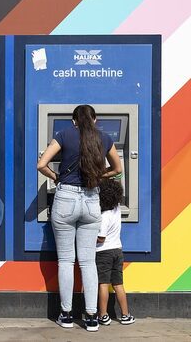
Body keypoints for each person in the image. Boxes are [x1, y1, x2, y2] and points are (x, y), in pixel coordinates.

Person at [37, 104, 122, 332]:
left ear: (74, 121)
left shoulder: (64, 134)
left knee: (66, 261)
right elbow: (118, 168)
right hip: (91, 200)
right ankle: (92, 317)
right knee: (87, 262)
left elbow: (41, 164)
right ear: (95, 120)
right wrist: (97, 176)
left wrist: (56, 177)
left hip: (65, 198)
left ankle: (66, 315)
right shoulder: (104, 138)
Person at [96, 178, 135, 326]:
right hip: (118, 250)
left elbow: (101, 238)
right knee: (118, 284)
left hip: (103, 252)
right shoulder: (117, 208)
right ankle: (126, 315)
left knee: (103, 284)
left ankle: (103, 315)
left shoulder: (103, 217)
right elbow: (116, 180)